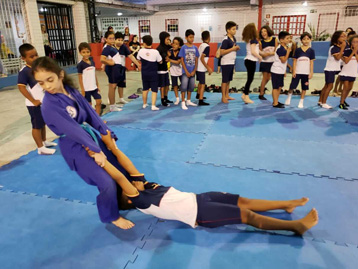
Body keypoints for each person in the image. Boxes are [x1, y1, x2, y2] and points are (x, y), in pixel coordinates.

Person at [86, 146, 319, 234]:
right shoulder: (140, 201)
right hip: (201, 214)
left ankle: (285, 204)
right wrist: (101, 162)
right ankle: (295, 227)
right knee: (246, 216)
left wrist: (111, 148)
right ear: (128, 200)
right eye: (125, 189)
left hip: (201, 197)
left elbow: (126, 166)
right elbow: (119, 176)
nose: (128, 183)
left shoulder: (144, 185)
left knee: (244, 201)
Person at [32, 56, 147, 229]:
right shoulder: (49, 104)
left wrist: (106, 133)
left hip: (89, 137)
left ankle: (125, 200)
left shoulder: (71, 91)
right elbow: (72, 129)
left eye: (50, 80)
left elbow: (91, 114)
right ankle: (111, 216)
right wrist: (96, 151)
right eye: (41, 83)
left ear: (60, 75)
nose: (47, 86)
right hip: (74, 146)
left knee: (119, 168)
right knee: (105, 181)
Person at [17, 44, 56, 155]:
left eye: (36, 55)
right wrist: (33, 101)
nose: (35, 58)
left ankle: (44, 141)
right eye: (31, 57)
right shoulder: (24, 71)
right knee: (36, 125)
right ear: (23, 58)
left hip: (42, 102)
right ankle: (40, 148)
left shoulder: (37, 69)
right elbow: (21, 87)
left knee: (42, 123)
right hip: (34, 104)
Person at [285, 32, 315, 108]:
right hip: (298, 72)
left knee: (304, 88)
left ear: (310, 40)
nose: (306, 41)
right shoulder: (298, 50)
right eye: (304, 39)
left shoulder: (311, 51)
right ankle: (289, 97)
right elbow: (294, 61)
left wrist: (311, 72)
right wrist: (294, 71)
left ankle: (301, 101)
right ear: (301, 40)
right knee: (292, 86)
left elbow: (311, 62)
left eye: (308, 39)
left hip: (306, 72)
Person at [318, 31, 346, 109]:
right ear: (337, 38)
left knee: (326, 86)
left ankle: (320, 101)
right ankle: (324, 103)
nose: (344, 38)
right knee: (330, 86)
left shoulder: (338, 48)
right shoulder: (334, 48)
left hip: (332, 69)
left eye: (345, 36)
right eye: (342, 36)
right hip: (330, 69)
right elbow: (337, 58)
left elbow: (343, 59)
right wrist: (343, 48)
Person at [113, 32, 141, 105]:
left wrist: (138, 64)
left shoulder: (124, 47)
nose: (120, 42)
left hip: (122, 68)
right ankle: (112, 100)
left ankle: (121, 98)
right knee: (113, 85)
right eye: (118, 40)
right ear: (114, 40)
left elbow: (131, 56)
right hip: (113, 69)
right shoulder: (111, 48)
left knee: (121, 84)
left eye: (121, 40)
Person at [137, 35, 162, 110]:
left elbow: (138, 59)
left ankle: (144, 104)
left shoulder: (141, 51)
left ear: (144, 43)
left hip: (144, 73)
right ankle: (153, 105)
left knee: (145, 89)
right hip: (153, 73)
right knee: (154, 89)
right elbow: (160, 61)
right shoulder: (155, 52)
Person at [77, 42, 102, 115]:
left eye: (87, 52)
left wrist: (97, 85)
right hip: (86, 88)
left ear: (90, 52)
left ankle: (98, 118)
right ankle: (91, 119)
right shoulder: (80, 64)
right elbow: (80, 78)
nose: (86, 54)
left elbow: (94, 74)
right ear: (80, 53)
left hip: (93, 87)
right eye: (83, 52)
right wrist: (82, 90)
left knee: (99, 101)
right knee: (89, 105)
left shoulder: (92, 62)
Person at [179, 29, 200, 110]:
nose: (192, 39)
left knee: (191, 87)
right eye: (190, 37)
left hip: (192, 71)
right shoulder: (183, 48)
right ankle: (183, 102)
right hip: (185, 71)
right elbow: (182, 60)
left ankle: (188, 100)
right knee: (184, 87)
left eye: (193, 37)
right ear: (186, 37)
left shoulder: (195, 48)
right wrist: (186, 71)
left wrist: (194, 70)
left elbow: (196, 59)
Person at [101, 31, 121, 112]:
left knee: (113, 87)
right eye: (110, 38)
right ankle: (112, 106)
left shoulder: (111, 46)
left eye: (113, 38)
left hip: (115, 68)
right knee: (112, 87)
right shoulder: (107, 48)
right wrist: (110, 63)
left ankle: (113, 104)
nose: (112, 40)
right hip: (112, 68)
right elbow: (102, 59)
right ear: (105, 39)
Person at [220, 21, 240, 103]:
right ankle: (223, 97)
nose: (235, 31)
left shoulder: (234, 38)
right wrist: (233, 49)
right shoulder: (225, 40)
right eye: (233, 29)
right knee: (224, 80)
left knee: (228, 80)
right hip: (226, 62)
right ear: (228, 30)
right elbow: (222, 52)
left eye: (235, 29)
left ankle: (227, 95)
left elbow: (233, 48)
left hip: (231, 62)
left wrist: (236, 48)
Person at [270, 31, 292, 108]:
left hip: (280, 71)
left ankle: (276, 101)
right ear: (281, 40)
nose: (289, 40)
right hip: (276, 71)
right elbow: (283, 60)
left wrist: (284, 71)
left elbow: (284, 62)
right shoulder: (281, 49)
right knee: (275, 87)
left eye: (289, 38)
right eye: (287, 38)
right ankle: (275, 103)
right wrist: (288, 52)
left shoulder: (284, 48)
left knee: (279, 87)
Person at [242, 23, 262, 104]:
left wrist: (262, 54)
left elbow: (255, 50)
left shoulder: (250, 40)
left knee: (250, 78)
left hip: (249, 60)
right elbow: (253, 52)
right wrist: (259, 57)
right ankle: (246, 95)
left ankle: (245, 94)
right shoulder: (253, 40)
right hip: (250, 60)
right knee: (250, 79)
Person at [338, 34, 358, 110]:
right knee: (345, 87)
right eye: (354, 42)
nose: (355, 43)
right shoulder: (347, 51)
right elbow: (346, 61)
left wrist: (356, 52)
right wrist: (353, 52)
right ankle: (341, 103)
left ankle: (344, 100)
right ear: (350, 43)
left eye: (357, 42)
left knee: (350, 88)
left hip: (353, 72)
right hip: (346, 71)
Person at [258, 25, 278, 100]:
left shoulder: (274, 39)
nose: (263, 33)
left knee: (269, 78)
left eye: (265, 31)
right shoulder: (261, 42)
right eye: (262, 32)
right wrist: (265, 54)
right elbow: (260, 53)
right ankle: (261, 93)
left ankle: (262, 90)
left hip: (272, 62)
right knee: (265, 78)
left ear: (268, 31)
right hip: (265, 62)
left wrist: (269, 53)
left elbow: (276, 51)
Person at [196, 30, 212, 106]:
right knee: (203, 84)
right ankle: (200, 100)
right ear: (209, 37)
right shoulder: (207, 47)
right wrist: (208, 67)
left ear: (202, 38)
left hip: (198, 67)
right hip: (201, 68)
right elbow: (202, 58)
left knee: (200, 82)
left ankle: (198, 94)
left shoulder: (201, 45)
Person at [157, 31, 172, 106]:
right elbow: (165, 59)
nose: (168, 41)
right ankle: (162, 99)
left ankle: (166, 97)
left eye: (169, 39)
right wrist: (169, 56)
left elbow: (173, 47)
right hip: (160, 70)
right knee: (162, 86)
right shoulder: (160, 49)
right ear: (163, 39)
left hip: (165, 69)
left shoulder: (167, 47)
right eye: (167, 39)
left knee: (167, 85)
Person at [168, 37, 184, 105]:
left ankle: (182, 96)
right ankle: (177, 98)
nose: (174, 45)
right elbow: (167, 57)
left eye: (176, 44)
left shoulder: (181, 51)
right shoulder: (170, 51)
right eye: (173, 43)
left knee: (183, 85)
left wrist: (170, 60)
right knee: (175, 85)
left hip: (180, 70)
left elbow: (178, 62)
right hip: (173, 71)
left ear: (179, 45)